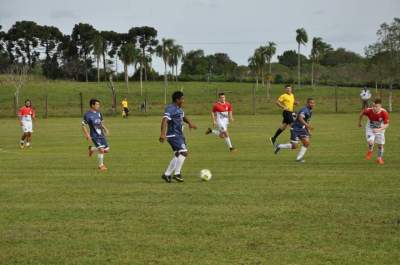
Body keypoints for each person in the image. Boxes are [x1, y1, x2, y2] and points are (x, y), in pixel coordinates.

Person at [159, 91, 197, 183]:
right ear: (177, 100)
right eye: (182, 99)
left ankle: (167, 174)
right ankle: (177, 173)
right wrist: (162, 134)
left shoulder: (178, 108)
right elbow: (164, 120)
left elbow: (183, 116)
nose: (183, 100)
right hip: (173, 134)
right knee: (184, 153)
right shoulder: (170, 108)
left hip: (179, 134)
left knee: (177, 155)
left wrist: (190, 123)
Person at [274, 98, 316, 162]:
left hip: (302, 129)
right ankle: (279, 146)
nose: (312, 104)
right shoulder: (304, 110)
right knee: (294, 146)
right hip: (295, 129)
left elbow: (307, 121)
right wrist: (307, 126)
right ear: (307, 103)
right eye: (310, 103)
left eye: (313, 103)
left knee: (306, 143)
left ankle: (299, 158)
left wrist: (308, 131)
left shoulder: (310, 111)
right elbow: (300, 118)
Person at [358, 98, 389, 165]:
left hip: (380, 130)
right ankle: (370, 151)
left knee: (380, 145)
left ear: (380, 106)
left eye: (376, 106)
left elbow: (386, 124)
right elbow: (361, 114)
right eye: (373, 106)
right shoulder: (369, 111)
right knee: (370, 142)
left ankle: (379, 159)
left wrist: (379, 129)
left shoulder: (384, 112)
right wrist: (359, 123)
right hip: (370, 129)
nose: (374, 108)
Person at [82, 99, 110, 171]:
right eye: (97, 104)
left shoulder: (99, 113)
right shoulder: (87, 115)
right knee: (101, 150)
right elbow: (83, 125)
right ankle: (101, 166)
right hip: (94, 135)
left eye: (99, 104)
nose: (98, 106)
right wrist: (87, 135)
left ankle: (92, 149)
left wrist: (105, 129)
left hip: (101, 135)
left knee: (106, 150)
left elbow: (100, 123)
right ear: (92, 105)